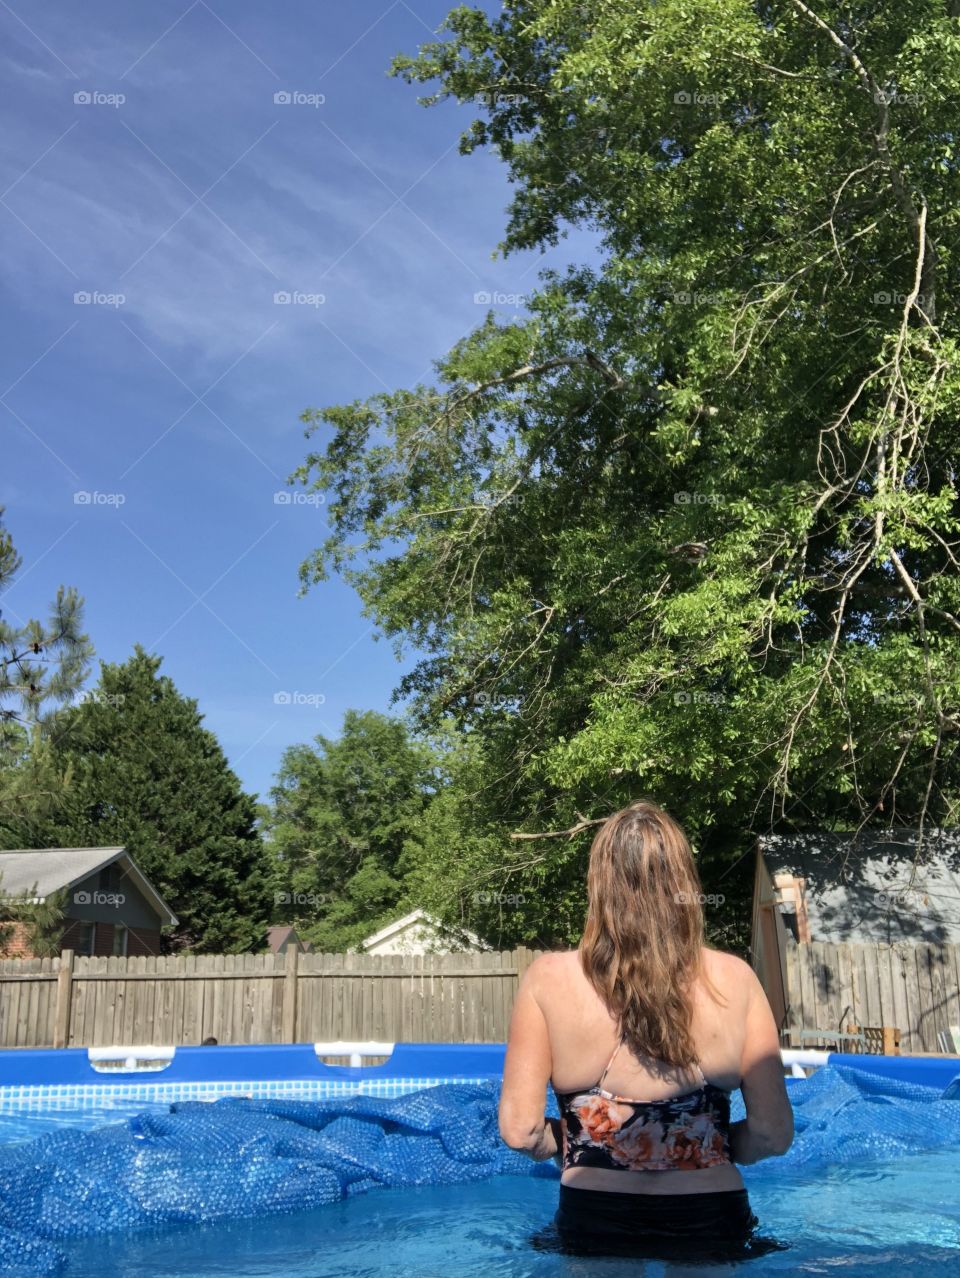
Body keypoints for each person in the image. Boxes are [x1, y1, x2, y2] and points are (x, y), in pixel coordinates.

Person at [498, 799, 794, 1271]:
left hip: (597, 1215)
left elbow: (520, 1130)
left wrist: (578, 1142)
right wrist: (704, 1143)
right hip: (710, 1214)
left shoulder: (548, 979)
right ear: (684, 882)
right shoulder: (735, 979)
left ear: (599, 883)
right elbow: (773, 1134)